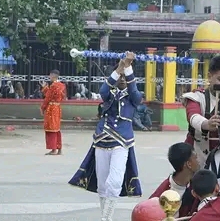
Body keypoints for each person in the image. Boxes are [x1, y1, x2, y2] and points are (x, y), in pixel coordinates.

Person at [68, 52, 142, 221]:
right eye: (120, 76)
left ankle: (106, 218)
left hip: (122, 141)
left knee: (114, 182)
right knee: (102, 185)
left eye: (124, 76)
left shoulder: (134, 97)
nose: (122, 78)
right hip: (102, 139)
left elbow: (134, 91)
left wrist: (128, 68)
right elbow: (103, 90)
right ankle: (106, 218)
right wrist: (120, 67)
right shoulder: (109, 94)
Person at [181, 54, 220, 168]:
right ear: (210, 76)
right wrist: (207, 124)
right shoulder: (196, 97)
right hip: (196, 160)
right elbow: (193, 116)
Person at [150, 142, 202, 217]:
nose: (198, 161)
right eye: (195, 158)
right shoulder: (161, 195)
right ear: (188, 164)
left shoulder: (197, 184)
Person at [40, 69, 66, 155]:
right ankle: (59, 148)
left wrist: (43, 107)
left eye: (50, 75)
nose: (49, 77)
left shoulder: (54, 86)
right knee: (57, 128)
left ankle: (53, 149)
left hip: (51, 108)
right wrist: (45, 88)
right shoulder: (62, 85)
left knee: (51, 129)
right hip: (58, 107)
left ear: (53, 75)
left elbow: (48, 97)